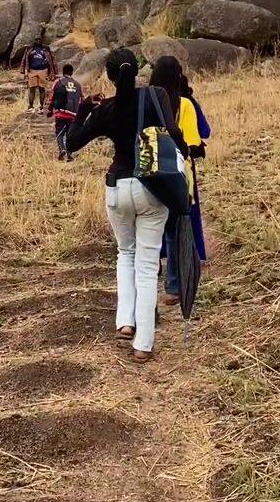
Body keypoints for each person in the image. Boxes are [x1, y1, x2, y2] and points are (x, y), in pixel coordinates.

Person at [67, 49, 189, 363]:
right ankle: (143, 344)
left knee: (125, 254)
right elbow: (174, 134)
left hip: (117, 188)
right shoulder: (155, 96)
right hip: (151, 186)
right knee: (147, 266)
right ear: (137, 71)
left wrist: (83, 109)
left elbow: (71, 143)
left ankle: (125, 321)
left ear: (109, 76)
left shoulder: (106, 108)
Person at [149, 56, 209, 303]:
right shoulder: (184, 104)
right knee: (174, 233)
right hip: (178, 175)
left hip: (148, 173)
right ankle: (173, 287)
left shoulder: (146, 101)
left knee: (150, 229)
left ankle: (149, 278)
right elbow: (193, 143)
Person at [46, 64, 83, 161]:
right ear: (72, 72)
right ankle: (69, 154)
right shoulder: (78, 84)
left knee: (60, 133)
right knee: (70, 134)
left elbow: (52, 96)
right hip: (73, 114)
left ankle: (62, 149)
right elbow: (82, 100)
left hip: (61, 113)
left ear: (63, 72)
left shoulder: (58, 82)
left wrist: (49, 109)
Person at [20, 32, 57, 114]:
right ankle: (31, 106)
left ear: (42, 40)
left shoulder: (46, 49)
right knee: (32, 88)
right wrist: (23, 70)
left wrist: (53, 72)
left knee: (42, 88)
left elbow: (52, 59)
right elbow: (24, 59)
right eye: (36, 39)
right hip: (32, 70)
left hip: (43, 70)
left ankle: (41, 107)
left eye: (39, 39)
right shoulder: (30, 49)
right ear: (34, 40)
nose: (38, 41)